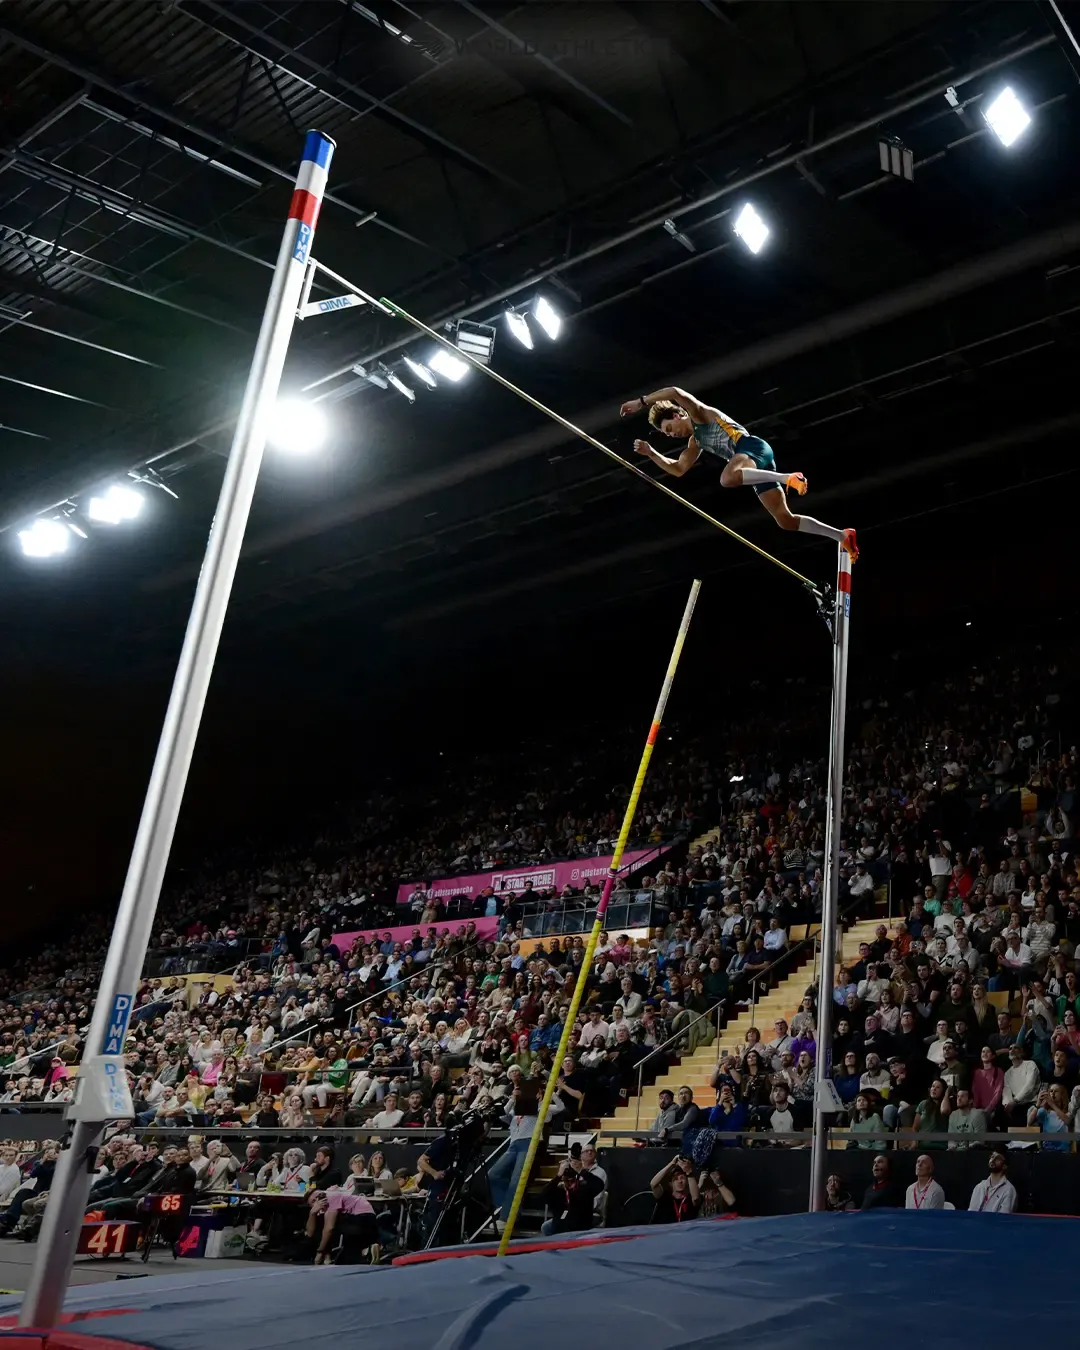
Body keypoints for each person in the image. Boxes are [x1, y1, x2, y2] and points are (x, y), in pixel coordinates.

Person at [619, 388, 857, 560]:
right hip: (751, 465)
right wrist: (651, 454)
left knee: (727, 478)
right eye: (668, 436)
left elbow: (675, 392)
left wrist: (641, 402)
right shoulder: (695, 442)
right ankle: (841, 536)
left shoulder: (699, 414)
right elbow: (679, 468)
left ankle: (788, 477)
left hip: (752, 447)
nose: (673, 435)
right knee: (785, 520)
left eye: (671, 429)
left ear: (677, 415)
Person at [540, 1154, 605, 1235]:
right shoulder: (559, 1191)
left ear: (576, 1178)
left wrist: (581, 1170)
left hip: (578, 1228)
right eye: (567, 1180)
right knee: (546, 1227)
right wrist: (558, 1176)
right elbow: (543, 1196)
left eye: (572, 1181)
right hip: (560, 1227)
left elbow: (599, 1185)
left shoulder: (584, 1188)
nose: (570, 1184)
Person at [649, 1155, 700, 1224]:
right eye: (675, 1179)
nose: (679, 1181)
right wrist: (672, 1163)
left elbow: (696, 1198)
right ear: (671, 1183)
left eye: (682, 1178)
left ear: (687, 1181)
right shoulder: (665, 1197)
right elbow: (653, 1184)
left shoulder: (690, 1199)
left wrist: (689, 1172)